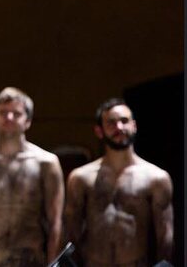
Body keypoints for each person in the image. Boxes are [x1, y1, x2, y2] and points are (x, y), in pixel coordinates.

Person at [64, 98, 173, 265]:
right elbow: (71, 235)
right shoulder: (81, 178)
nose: (119, 127)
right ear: (99, 131)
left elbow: (165, 237)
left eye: (124, 121)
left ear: (134, 126)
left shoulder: (156, 178)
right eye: (111, 123)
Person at [0, 87, 64, 266]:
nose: (9, 118)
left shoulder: (46, 163)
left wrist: (53, 263)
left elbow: (55, 222)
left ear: (28, 121)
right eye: (3, 113)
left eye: (16, 113)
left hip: (30, 259)